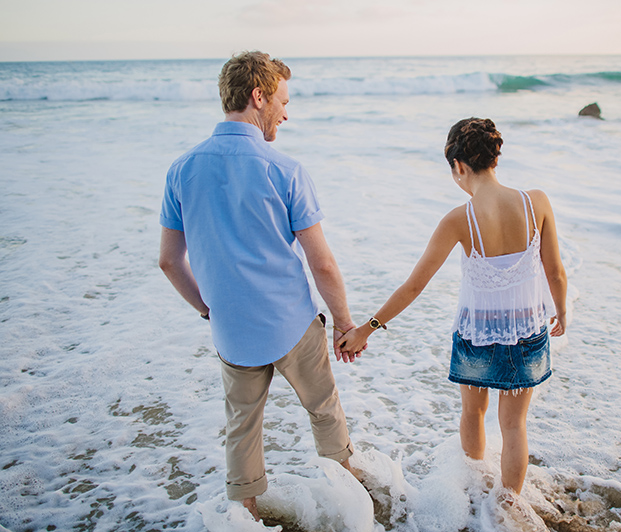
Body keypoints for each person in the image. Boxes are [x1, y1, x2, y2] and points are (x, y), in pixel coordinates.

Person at [158, 51, 360, 521]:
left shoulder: (181, 169)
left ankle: (242, 517)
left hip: (232, 332)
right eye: (283, 101)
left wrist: (209, 310)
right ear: (258, 96)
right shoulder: (284, 169)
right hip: (292, 324)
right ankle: (355, 507)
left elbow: (169, 262)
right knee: (325, 412)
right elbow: (323, 264)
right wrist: (344, 323)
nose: (286, 114)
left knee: (241, 429)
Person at [339, 117, 568, 496]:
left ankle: (474, 490)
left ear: (459, 166)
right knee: (514, 426)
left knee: (473, 413)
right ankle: (510, 507)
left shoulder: (459, 219)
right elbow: (555, 270)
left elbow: (413, 286)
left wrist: (366, 329)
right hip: (527, 330)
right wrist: (560, 311)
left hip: (477, 334)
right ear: (494, 158)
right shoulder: (536, 202)